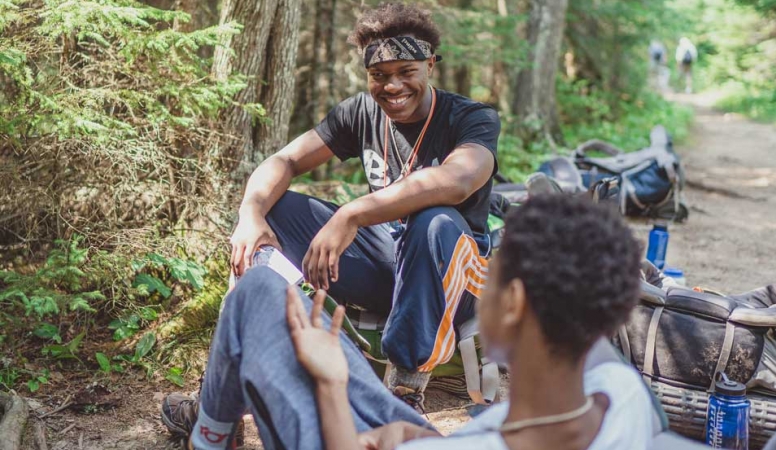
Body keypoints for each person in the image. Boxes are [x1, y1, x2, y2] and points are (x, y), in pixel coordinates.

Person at [162, 1, 501, 440]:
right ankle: (222, 400)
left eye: (406, 71)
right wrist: (249, 215)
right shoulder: (360, 113)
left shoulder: (470, 117)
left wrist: (352, 213)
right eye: (380, 75)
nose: (392, 85)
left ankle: (403, 394)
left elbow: (459, 180)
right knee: (276, 212)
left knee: (434, 220)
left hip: (461, 276)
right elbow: (284, 159)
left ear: (430, 65)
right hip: (390, 267)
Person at [179, 194, 655, 450]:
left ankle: (210, 435)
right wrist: (411, 433)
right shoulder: (622, 395)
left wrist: (330, 383)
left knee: (259, 292)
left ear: (511, 303)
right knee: (308, 331)